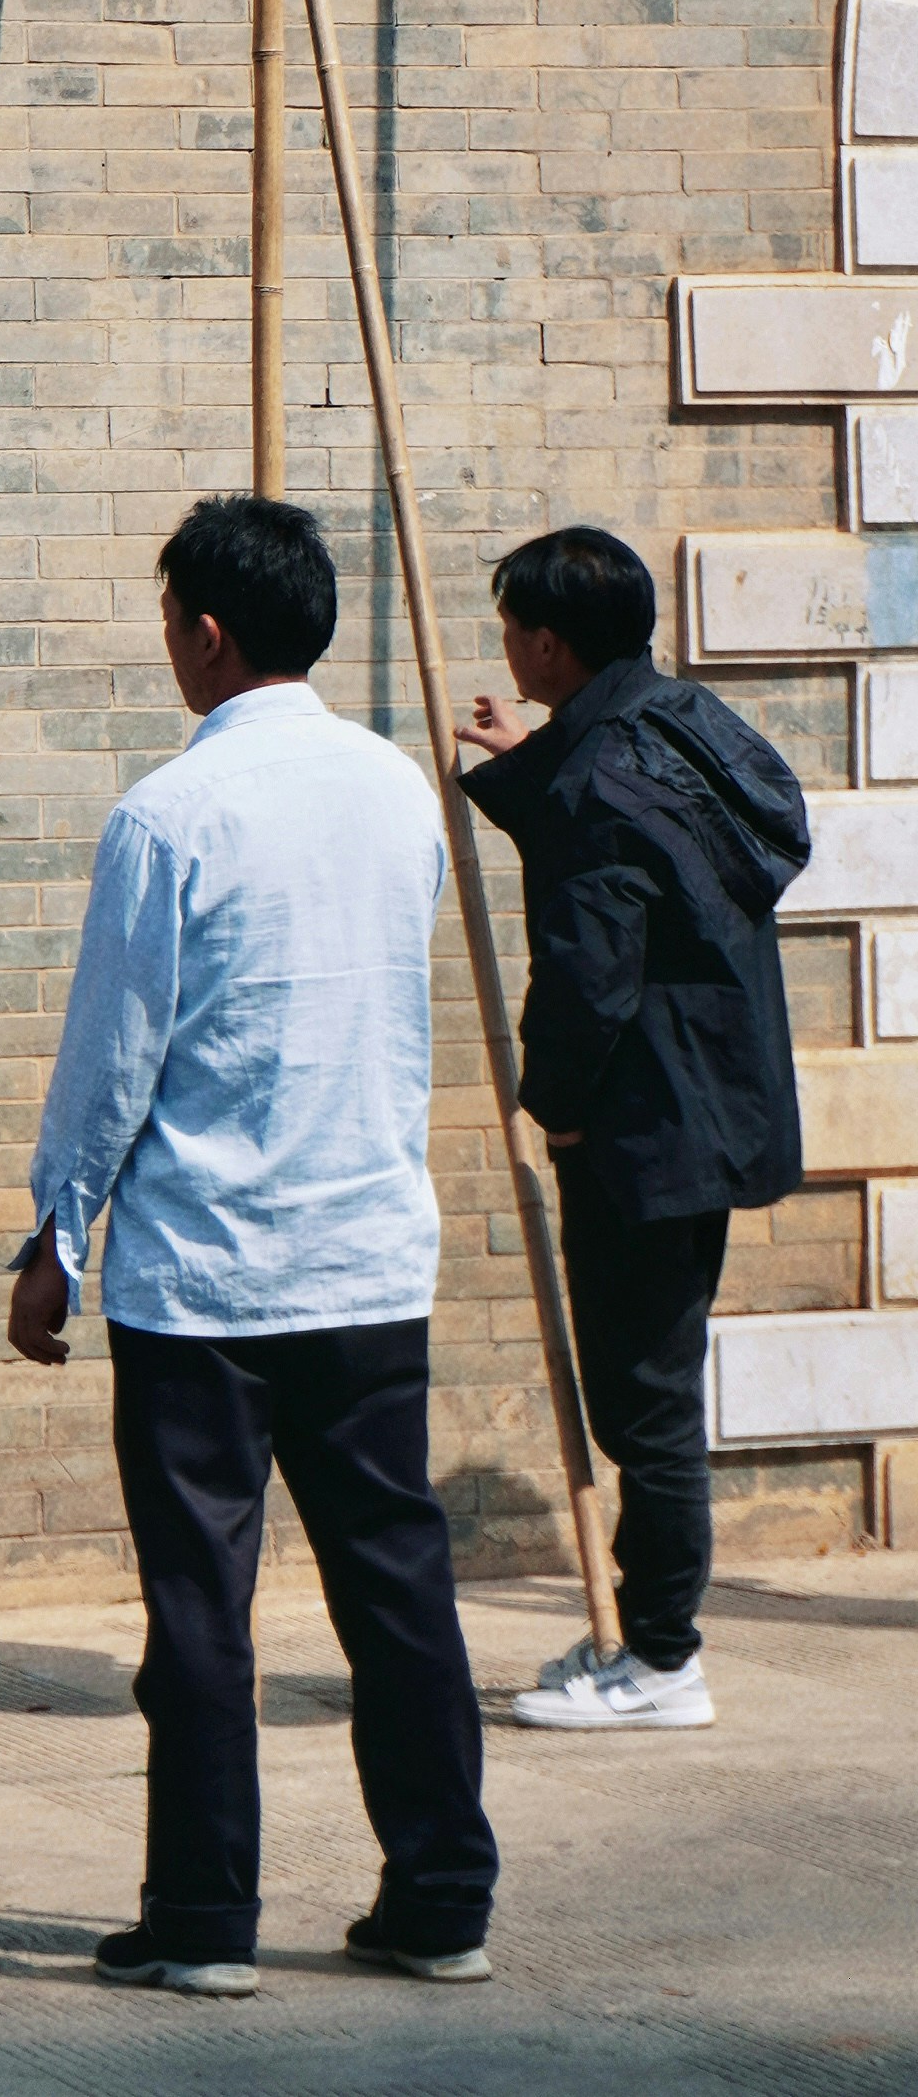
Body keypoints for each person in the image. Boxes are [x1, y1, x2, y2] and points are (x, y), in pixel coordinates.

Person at [10, 493, 497, 1999]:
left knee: (200, 1609)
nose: (169, 649)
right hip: (362, 1264)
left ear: (207, 634)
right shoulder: (399, 790)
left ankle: (205, 1920)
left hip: (205, 1281)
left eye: (169, 625)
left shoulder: (168, 815)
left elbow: (114, 1054)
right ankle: (440, 1900)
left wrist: (56, 1234)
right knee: (398, 1590)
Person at [462, 522, 809, 1731]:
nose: (504, 646)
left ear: (548, 643)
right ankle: (649, 1640)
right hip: (711, 1117)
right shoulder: (677, 726)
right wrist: (529, 759)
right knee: (654, 1388)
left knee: (644, 1404)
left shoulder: (597, 772)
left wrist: (547, 1110)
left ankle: (661, 1660)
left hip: (644, 1134)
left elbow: (588, 974)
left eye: (513, 628)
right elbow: (612, 828)